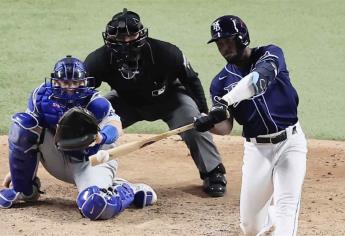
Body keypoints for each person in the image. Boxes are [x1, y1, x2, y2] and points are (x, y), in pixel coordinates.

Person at [84, 8, 227, 197]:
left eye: (132, 35)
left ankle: (213, 172)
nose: (127, 41)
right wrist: (82, 119)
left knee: (194, 123)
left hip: (171, 99)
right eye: (121, 37)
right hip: (125, 101)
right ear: (110, 39)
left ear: (141, 34)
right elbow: (84, 92)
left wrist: (203, 111)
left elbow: (191, 79)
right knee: (91, 124)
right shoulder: (98, 59)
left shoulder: (166, 52)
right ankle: (82, 169)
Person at [0, 56, 157, 220]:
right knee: (23, 124)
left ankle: (127, 189)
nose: (71, 88)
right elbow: (28, 134)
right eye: (66, 83)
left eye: (76, 83)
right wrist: (20, 170)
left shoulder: (96, 103)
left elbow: (116, 127)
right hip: (56, 156)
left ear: (84, 82)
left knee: (96, 206)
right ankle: (24, 189)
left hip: (90, 161)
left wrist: (101, 137)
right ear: (56, 81)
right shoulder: (41, 97)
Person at [194, 15, 308, 235]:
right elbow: (226, 128)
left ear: (242, 37)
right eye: (219, 43)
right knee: (250, 227)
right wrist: (207, 122)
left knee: (286, 213)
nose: (223, 47)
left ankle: (279, 221)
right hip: (257, 150)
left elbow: (257, 81)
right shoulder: (220, 83)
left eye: (227, 40)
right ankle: (269, 217)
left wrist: (225, 102)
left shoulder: (271, 54)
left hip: (290, 144)